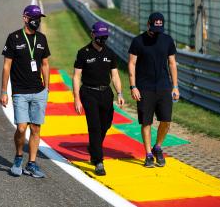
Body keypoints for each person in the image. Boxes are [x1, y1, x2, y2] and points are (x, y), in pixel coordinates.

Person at [0, 5, 50, 178]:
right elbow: (7, 66)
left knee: (36, 129)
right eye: (34, 17)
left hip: (38, 91)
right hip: (20, 91)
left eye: (39, 18)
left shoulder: (42, 39)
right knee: (22, 128)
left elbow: (45, 64)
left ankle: (32, 163)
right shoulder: (13, 38)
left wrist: (47, 88)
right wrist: (3, 91)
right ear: (25, 18)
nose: (37, 21)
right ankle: (18, 157)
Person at [73, 21, 125, 176]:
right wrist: (76, 98)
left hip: (106, 93)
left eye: (105, 37)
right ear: (93, 35)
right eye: (100, 37)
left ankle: (94, 147)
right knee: (94, 127)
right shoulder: (83, 53)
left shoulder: (110, 53)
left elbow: (114, 75)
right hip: (89, 93)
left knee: (106, 124)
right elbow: (76, 76)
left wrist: (120, 93)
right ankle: (98, 161)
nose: (102, 40)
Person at [128, 12, 179, 168]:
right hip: (144, 88)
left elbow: (172, 63)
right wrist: (133, 86)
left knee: (166, 120)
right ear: (148, 24)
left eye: (160, 28)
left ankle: (158, 147)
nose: (157, 32)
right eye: (155, 28)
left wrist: (175, 86)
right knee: (146, 122)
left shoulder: (167, 40)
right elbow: (131, 64)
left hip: (164, 86)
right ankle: (148, 154)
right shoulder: (138, 41)